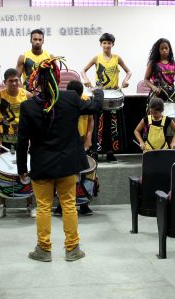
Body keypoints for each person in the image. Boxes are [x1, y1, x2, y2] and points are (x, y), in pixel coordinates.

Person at [17, 57, 103, 262]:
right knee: (69, 205)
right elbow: (96, 107)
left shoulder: (28, 106)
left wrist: (21, 169)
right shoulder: (71, 98)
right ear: (57, 78)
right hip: (67, 164)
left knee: (44, 207)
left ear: (36, 81)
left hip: (41, 165)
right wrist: (98, 90)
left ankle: (44, 250)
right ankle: (72, 249)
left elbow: (22, 142)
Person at [0, 68, 35, 218]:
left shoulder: (27, 95)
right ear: (4, 82)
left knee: (27, 171)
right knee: (1, 173)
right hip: (4, 140)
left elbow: (34, 118)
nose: (14, 83)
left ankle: (30, 205)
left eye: (16, 80)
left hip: (24, 140)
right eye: (10, 81)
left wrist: (32, 137)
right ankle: (2, 206)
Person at [82, 33, 132, 163]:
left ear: (112, 44)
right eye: (104, 43)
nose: (106, 45)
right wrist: (86, 80)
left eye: (109, 43)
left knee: (112, 125)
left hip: (113, 96)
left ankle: (110, 152)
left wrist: (125, 81)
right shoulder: (97, 58)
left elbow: (129, 71)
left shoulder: (117, 58)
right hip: (100, 95)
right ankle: (95, 151)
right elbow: (83, 71)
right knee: (98, 124)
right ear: (101, 44)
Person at [54, 80, 95, 216]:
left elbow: (91, 120)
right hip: (68, 141)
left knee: (86, 173)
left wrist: (88, 138)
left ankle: (84, 203)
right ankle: (61, 204)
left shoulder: (86, 100)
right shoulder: (62, 101)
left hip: (82, 140)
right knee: (65, 174)